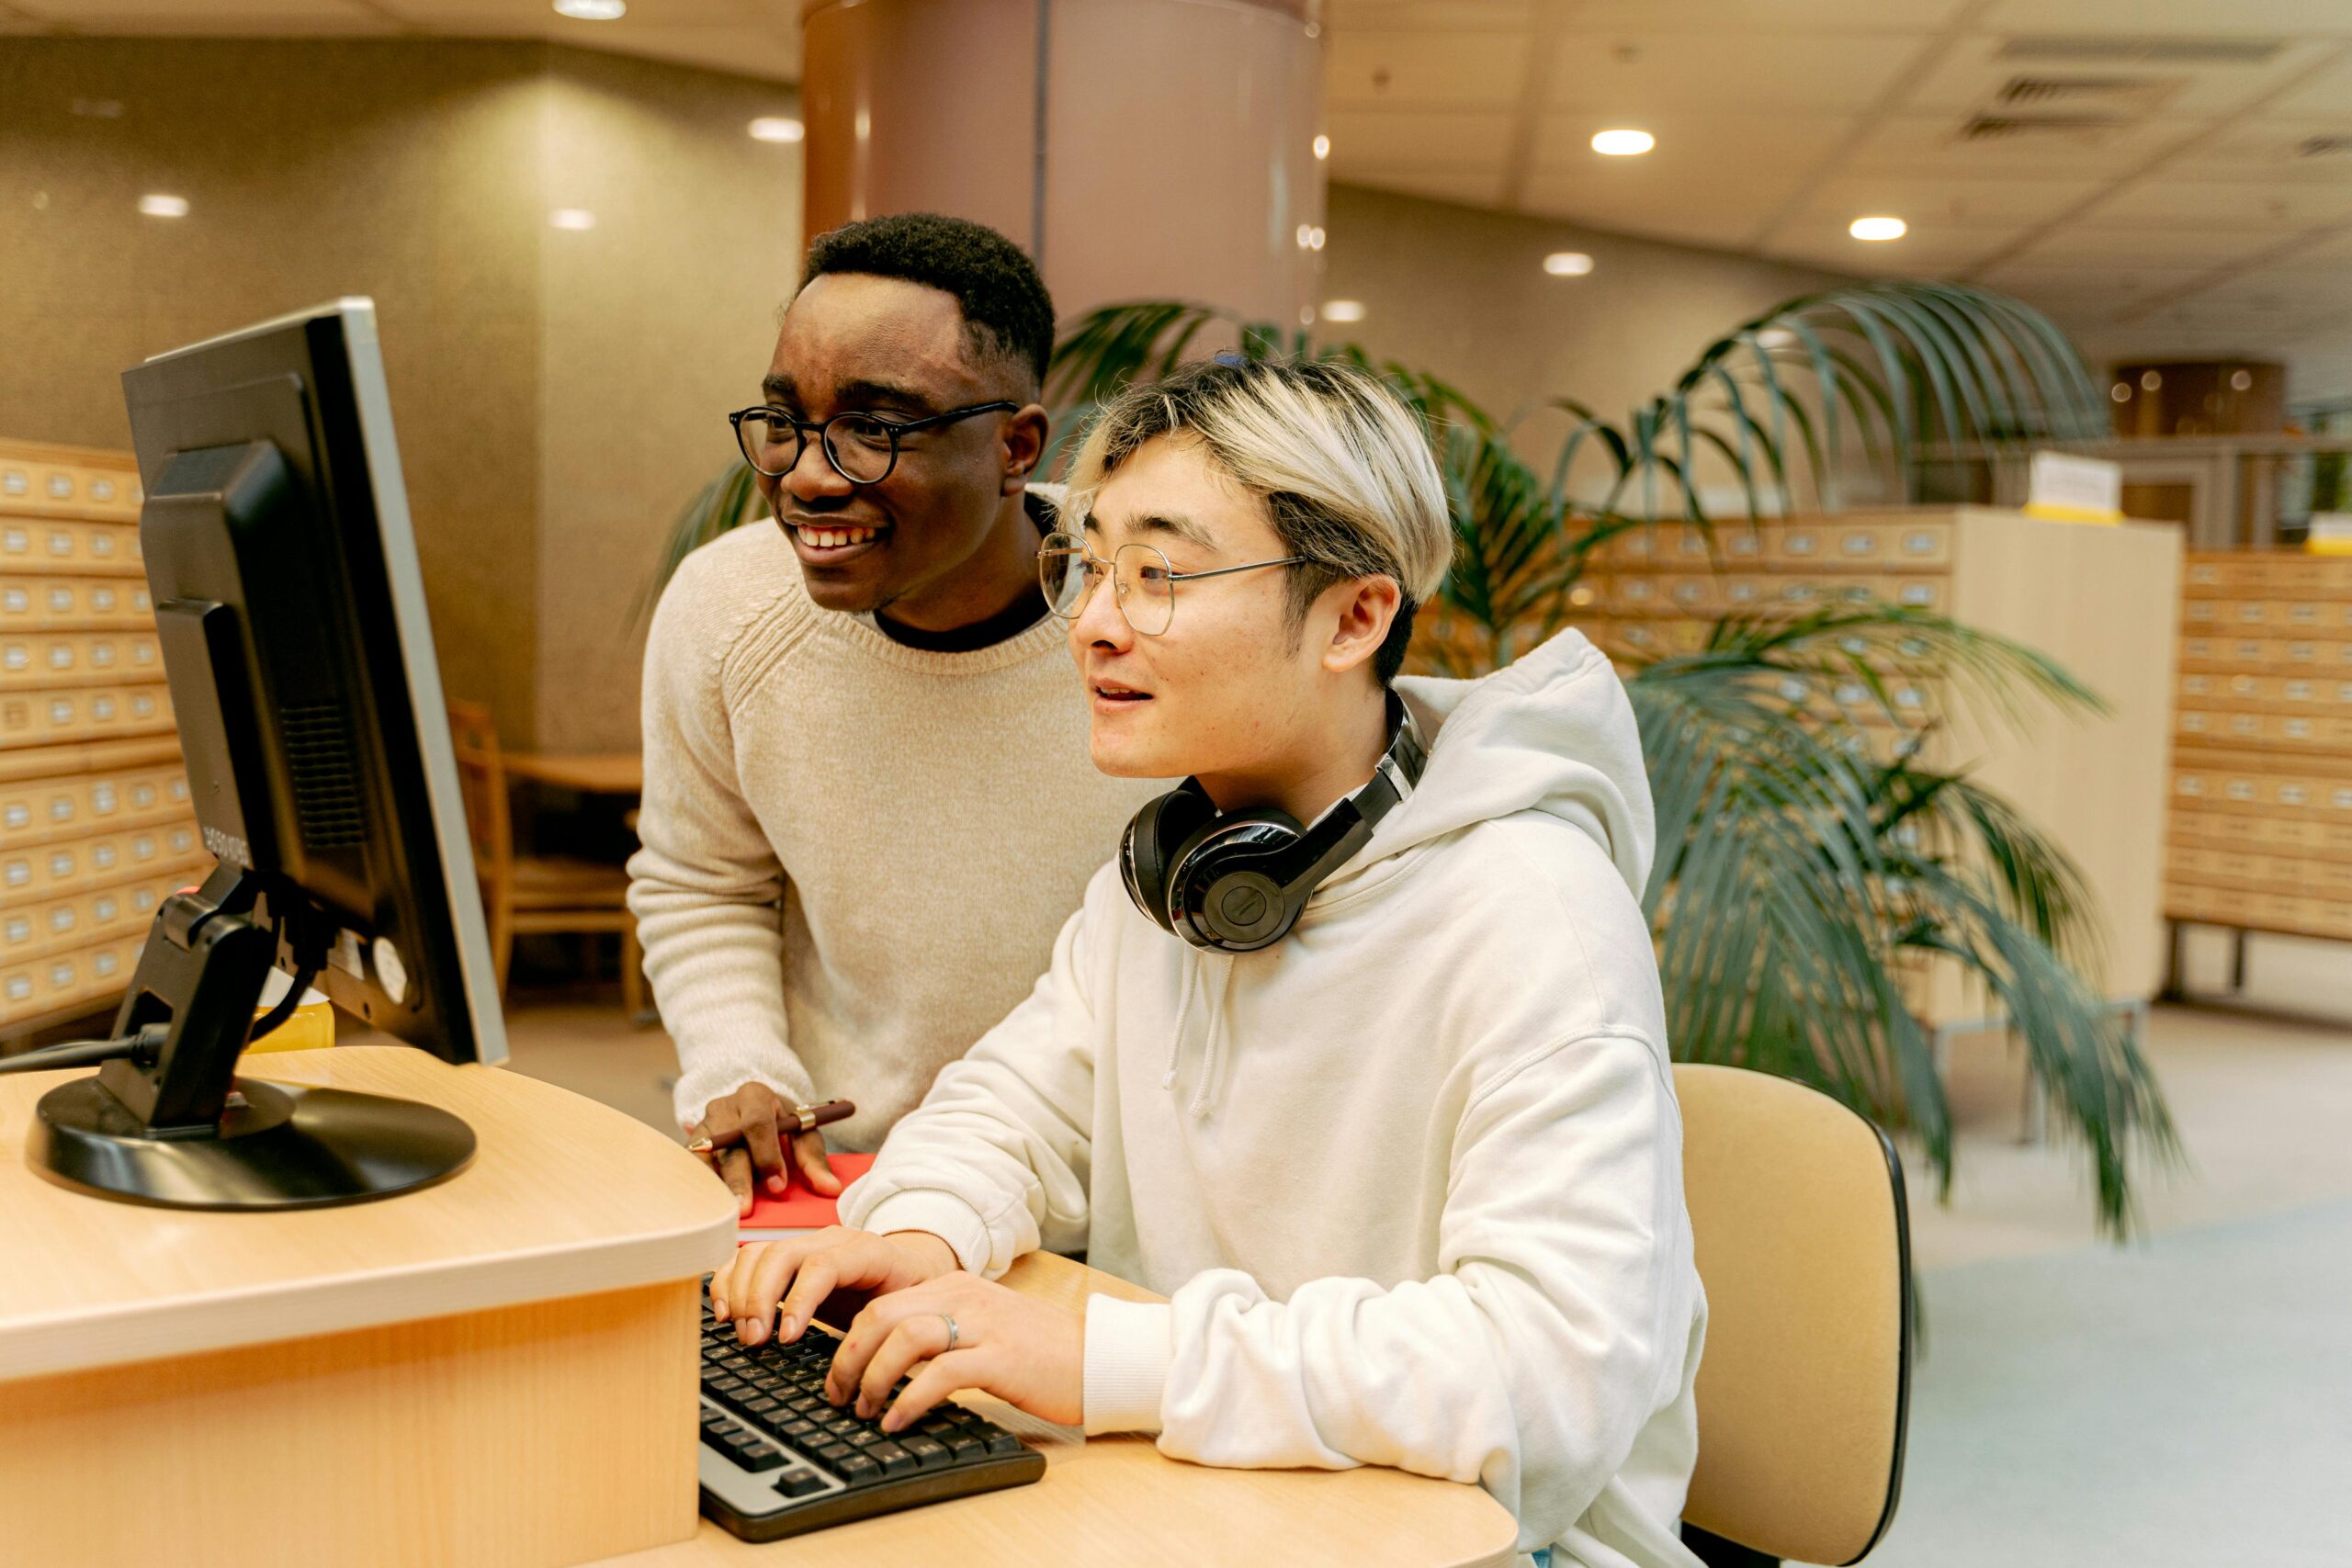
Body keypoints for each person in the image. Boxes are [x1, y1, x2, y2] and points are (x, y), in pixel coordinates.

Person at [708, 358, 1709, 1568]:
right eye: (1088, 564)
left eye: (1162, 574)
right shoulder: (1175, 876)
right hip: (1215, 1495)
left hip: (1488, 1540)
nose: (1092, 621)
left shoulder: (1539, 920)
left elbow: (1548, 1376)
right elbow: (1012, 1106)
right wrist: (925, 1228)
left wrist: (1103, 1360)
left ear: (1356, 615)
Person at [628, 213, 1159, 1213]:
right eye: (786, 422)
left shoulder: (1152, 611)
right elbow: (703, 881)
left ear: (1016, 446)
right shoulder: (725, 608)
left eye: (878, 427)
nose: (810, 477)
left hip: (1110, 1192)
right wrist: (738, 1063)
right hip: (847, 1173)